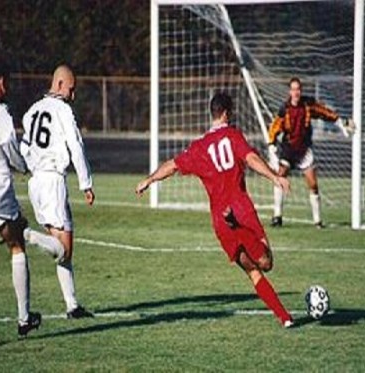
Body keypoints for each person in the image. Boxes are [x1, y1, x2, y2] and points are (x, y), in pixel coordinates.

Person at [136, 92, 294, 328]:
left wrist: (149, 179)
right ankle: (284, 316)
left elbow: (172, 165)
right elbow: (250, 158)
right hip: (242, 210)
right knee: (267, 262)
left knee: (253, 272)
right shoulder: (232, 136)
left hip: (220, 221)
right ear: (227, 113)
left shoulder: (199, 147)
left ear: (212, 114)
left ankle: (286, 318)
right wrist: (274, 177)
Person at [20, 65, 95, 319]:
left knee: (64, 246)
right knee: (64, 250)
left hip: (36, 182)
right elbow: (76, 145)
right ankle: (28, 234)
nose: (73, 96)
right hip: (53, 181)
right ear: (60, 84)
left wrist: (30, 170)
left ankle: (72, 305)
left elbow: (24, 148)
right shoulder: (63, 110)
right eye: (71, 89)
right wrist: (86, 183)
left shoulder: (31, 111)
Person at [0, 58, 48, 338]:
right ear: (1, 82)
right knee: (17, 243)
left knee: (14, 234)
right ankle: (24, 318)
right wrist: (23, 166)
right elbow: (10, 149)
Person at [267, 77, 354, 228]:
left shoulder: (308, 105)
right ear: (290, 91)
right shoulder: (284, 108)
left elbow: (324, 112)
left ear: (301, 91)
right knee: (280, 177)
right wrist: (271, 144)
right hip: (288, 149)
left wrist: (340, 121)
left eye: (298, 89)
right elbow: (275, 126)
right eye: (293, 89)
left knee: (313, 185)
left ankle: (318, 221)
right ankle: (277, 216)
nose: (296, 92)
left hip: (304, 150)